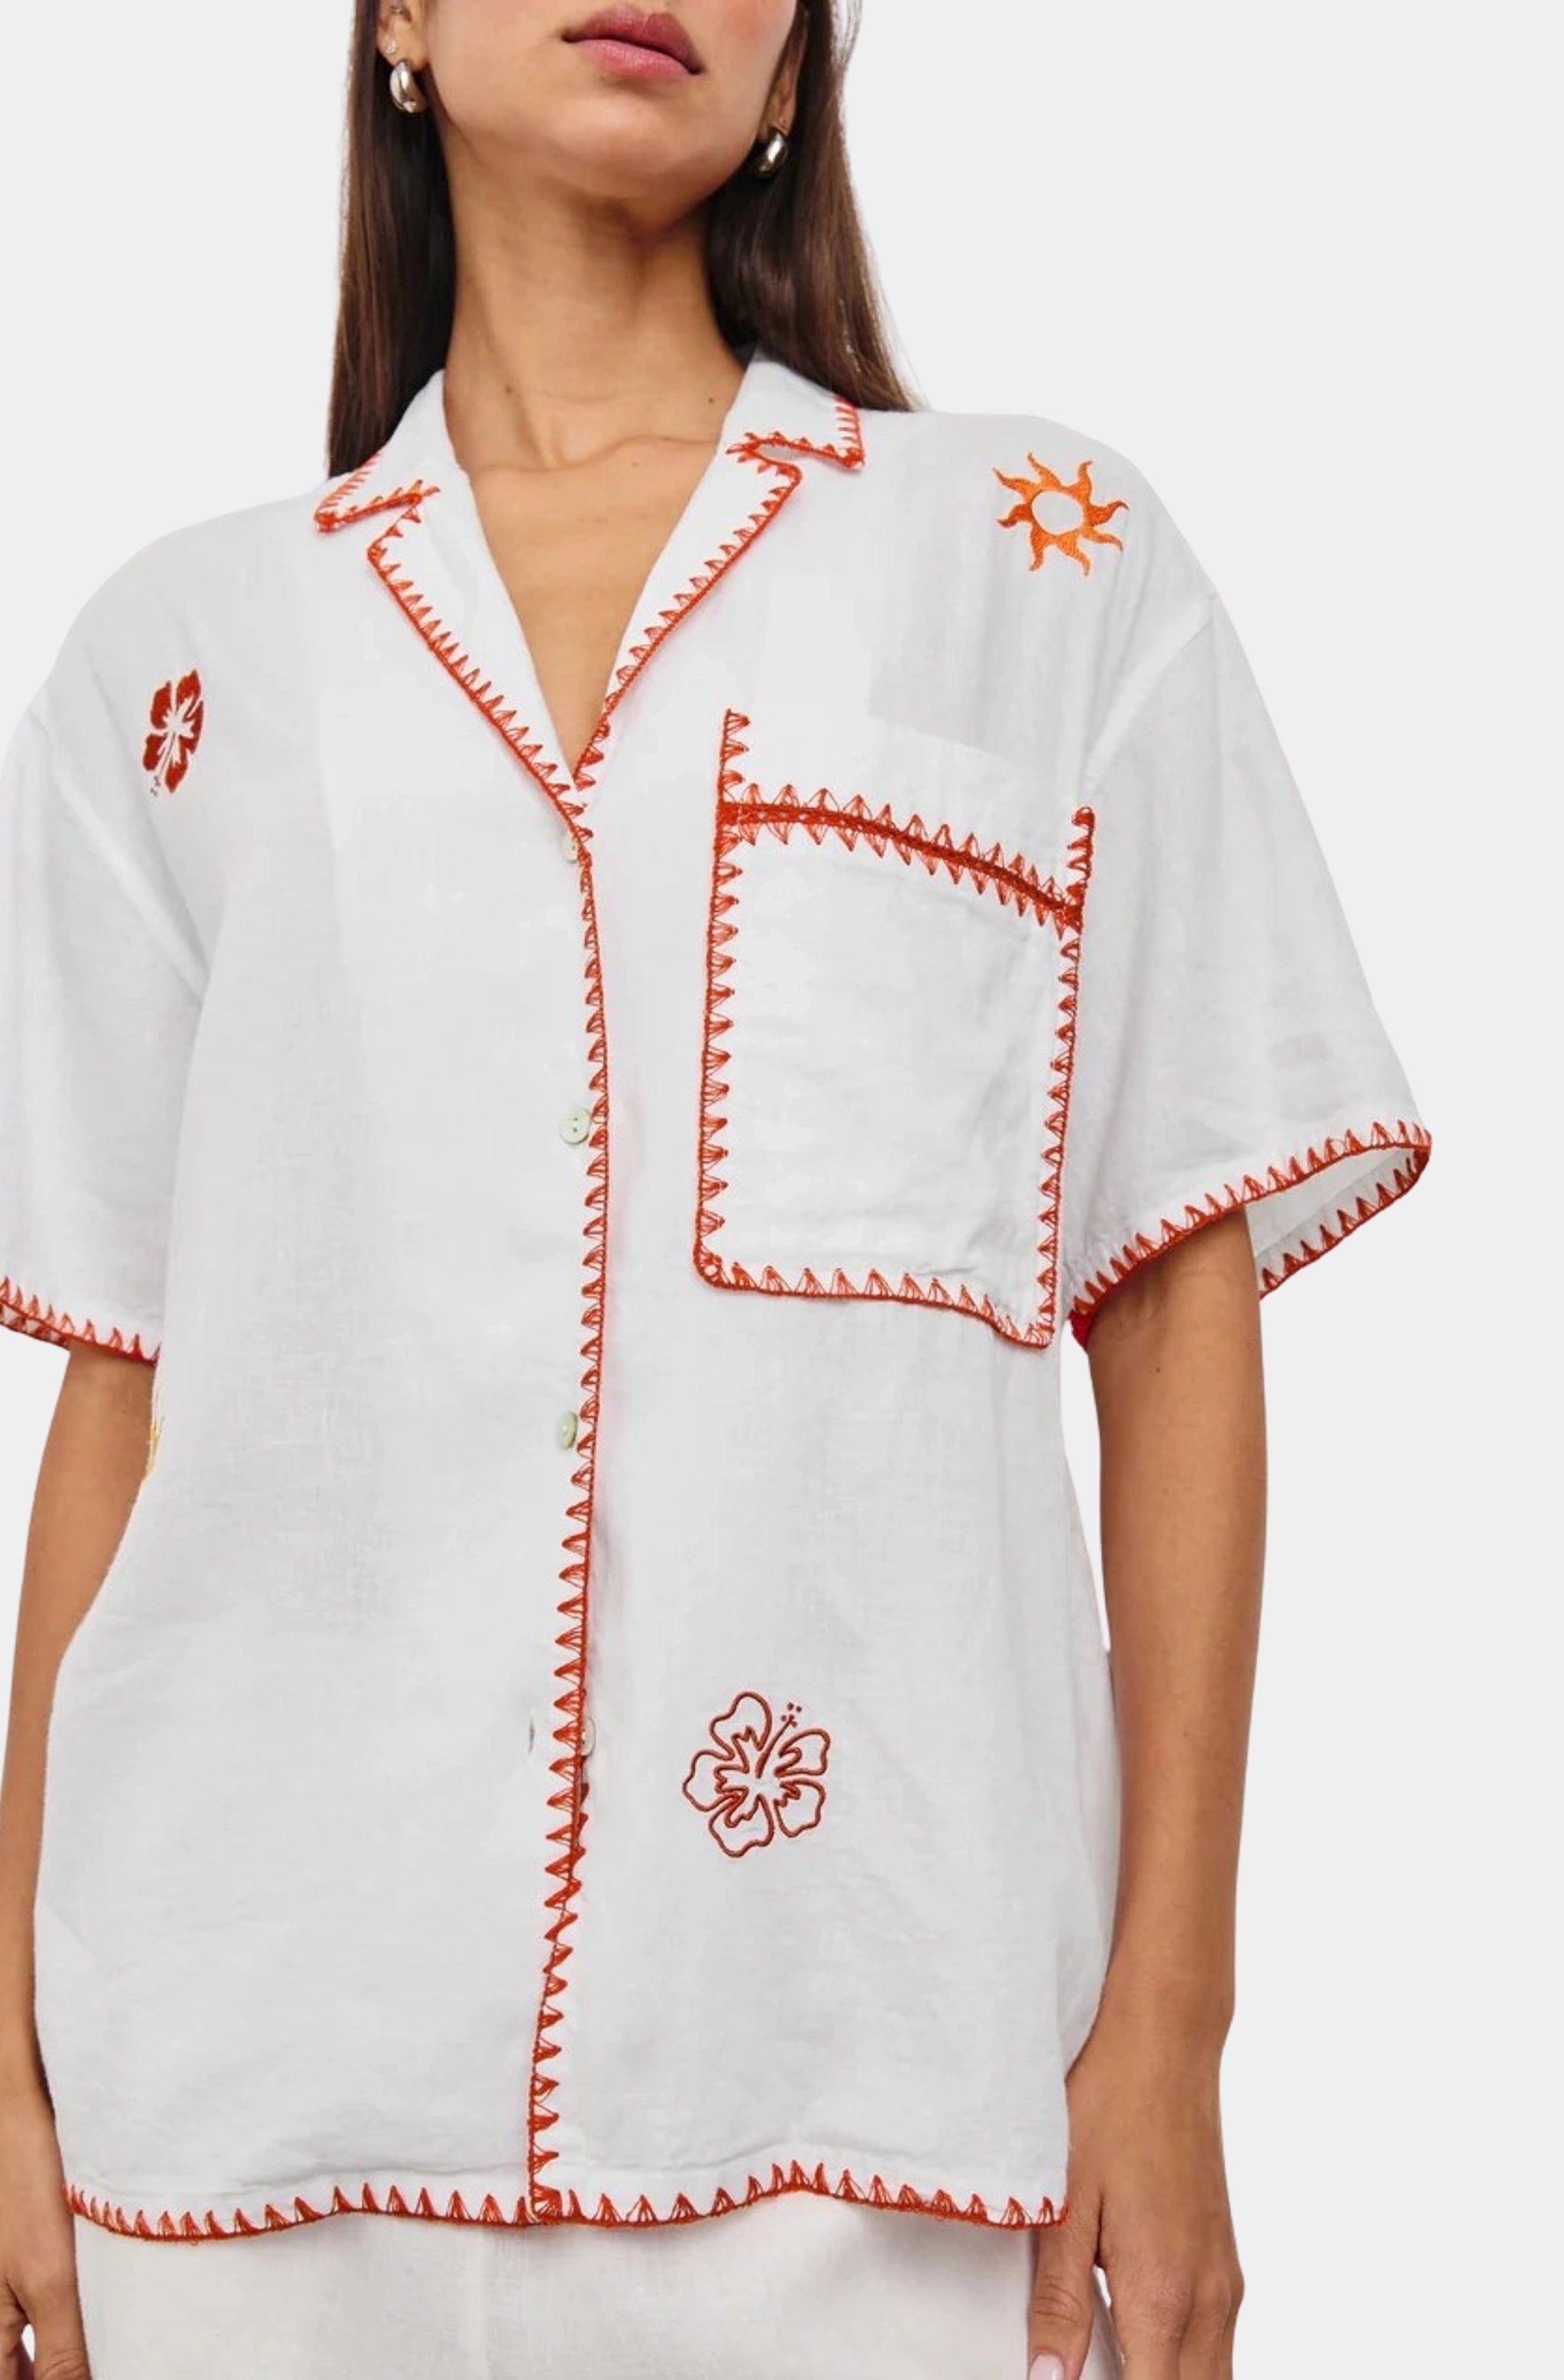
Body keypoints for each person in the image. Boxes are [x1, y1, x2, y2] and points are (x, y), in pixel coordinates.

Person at [0, 2, 1432, 2375]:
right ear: (394, 20)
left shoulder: (1035, 563)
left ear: (796, 72)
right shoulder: (184, 661)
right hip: (237, 2094)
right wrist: (5, 2064)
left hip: (875, 2075)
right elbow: (130, 1395)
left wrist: (1171, 2027)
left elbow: (1173, 1299)